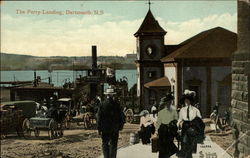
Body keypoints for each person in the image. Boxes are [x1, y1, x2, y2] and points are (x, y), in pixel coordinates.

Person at [97, 87, 125, 158]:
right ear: (113, 95)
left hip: (104, 128)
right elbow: (121, 117)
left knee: (105, 144)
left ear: (106, 95)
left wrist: (99, 129)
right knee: (113, 144)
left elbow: (99, 118)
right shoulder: (116, 105)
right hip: (114, 128)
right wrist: (120, 126)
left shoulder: (102, 104)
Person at [177, 89, 205, 158]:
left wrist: (196, 127)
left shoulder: (196, 110)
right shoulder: (182, 110)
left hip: (192, 128)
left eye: (188, 100)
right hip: (184, 127)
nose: (186, 101)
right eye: (185, 100)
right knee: (184, 144)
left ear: (191, 101)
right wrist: (178, 125)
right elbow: (180, 119)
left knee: (190, 146)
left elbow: (200, 120)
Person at [156, 93, 179, 158]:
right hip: (162, 131)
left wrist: (173, 123)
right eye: (168, 102)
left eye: (170, 102)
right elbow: (158, 123)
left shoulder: (174, 111)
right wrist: (156, 131)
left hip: (170, 131)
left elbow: (176, 120)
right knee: (163, 147)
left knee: (169, 146)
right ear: (165, 103)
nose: (169, 103)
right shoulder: (161, 112)